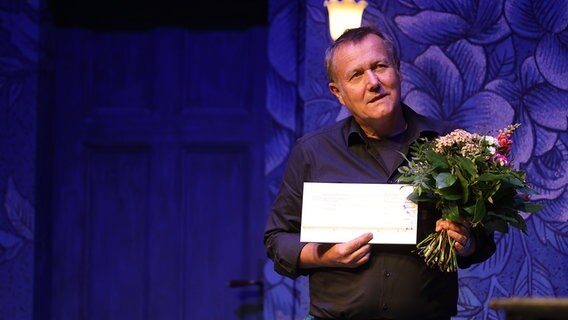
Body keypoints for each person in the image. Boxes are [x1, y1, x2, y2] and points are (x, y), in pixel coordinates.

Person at [264, 26, 496, 320]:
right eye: (356, 75)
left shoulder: (449, 144)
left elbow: (482, 241)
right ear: (338, 92)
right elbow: (277, 238)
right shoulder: (312, 152)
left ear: (398, 71)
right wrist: (324, 255)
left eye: (380, 66)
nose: (373, 82)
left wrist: (466, 242)